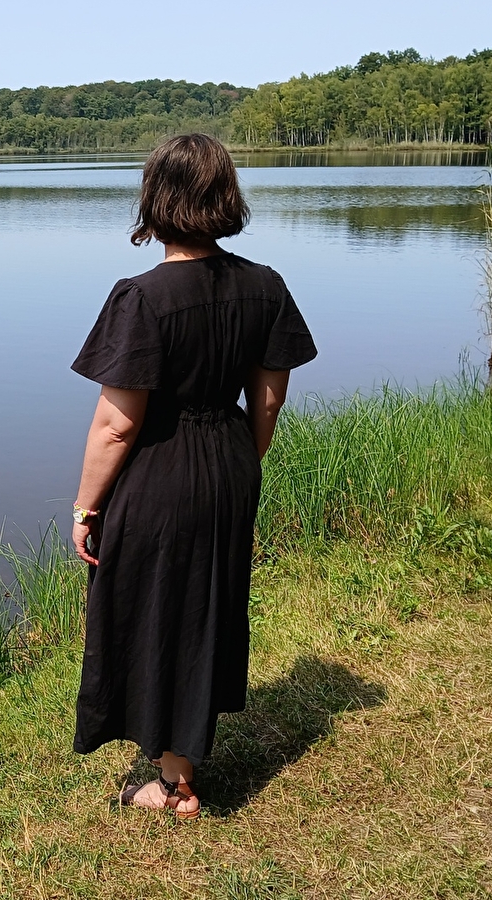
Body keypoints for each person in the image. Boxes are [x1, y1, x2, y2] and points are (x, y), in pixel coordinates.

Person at [69, 134, 317, 819]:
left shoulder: (142, 298)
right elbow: (269, 397)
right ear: (224, 197)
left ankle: (173, 782)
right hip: (231, 461)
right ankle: (178, 759)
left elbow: (117, 424)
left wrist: (85, 506)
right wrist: (242, 460)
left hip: (160, 469)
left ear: (158, 201)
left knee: (152, 610)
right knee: (205, 605)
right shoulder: (266, 287)